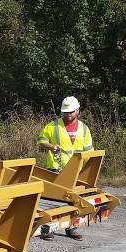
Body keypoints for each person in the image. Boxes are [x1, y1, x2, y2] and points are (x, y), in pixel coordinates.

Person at [37, 96, 94, 241]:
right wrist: (51, 146)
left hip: (76, 171)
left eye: (71, 112)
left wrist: (86, 171)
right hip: (56, 169)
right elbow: (41, 140)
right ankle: (47, 229)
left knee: (73, 202)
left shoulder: (84, 129)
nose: (68, 114)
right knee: (52, 201)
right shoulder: (53, 126)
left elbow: (89, 151)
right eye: (65, 112)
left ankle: (72, 228)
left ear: (77, 111)